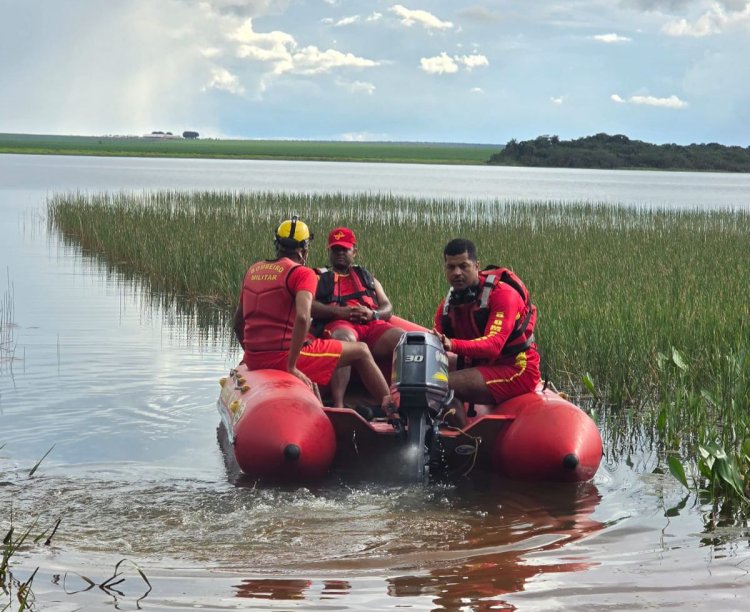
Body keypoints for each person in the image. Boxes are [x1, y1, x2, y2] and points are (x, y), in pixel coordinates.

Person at [233, 216, 395, 414]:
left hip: (255, 358)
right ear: (304, 250)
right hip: (285, 356)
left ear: (277, 245)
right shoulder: (303, 273)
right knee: (360, 350)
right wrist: (291, 365)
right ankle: (390, 408)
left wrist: (250, 355)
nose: (340, 253)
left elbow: (237, 322)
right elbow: (303, 316)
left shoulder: (254, 270)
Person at [432, 238, 540, 423]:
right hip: (483, 366)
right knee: (423, 376)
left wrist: (452, 344)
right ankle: (453, 431)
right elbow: (436, 340)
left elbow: (494, 345)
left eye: (463, 266)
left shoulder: (503, 295)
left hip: (517, 369)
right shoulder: (447, 306)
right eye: (451, 267)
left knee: (437, 384)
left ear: (476, 266)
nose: (457, 273)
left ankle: (460, 441)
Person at [311, 227, 405, 408]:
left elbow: (388, 307)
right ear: (328, 251)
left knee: (403, 339)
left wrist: (373, 314)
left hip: (370, 324)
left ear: (354, 251)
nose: (340, 253)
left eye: (344, 249)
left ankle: (401, 400)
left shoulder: (367, 277)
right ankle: (338, 405)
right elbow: (309, 307)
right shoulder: (317, 277)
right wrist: (340, 312)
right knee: (344, 340)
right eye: (335, 249)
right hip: (339, 324)